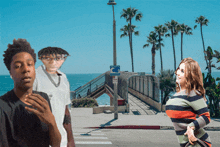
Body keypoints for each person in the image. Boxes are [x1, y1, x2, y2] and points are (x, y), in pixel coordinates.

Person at [0, 39, 61, 147]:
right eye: (18, 66)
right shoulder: (3, 106)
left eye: (30, 64)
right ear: (10, 72)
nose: (26, 69)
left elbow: (55, 144)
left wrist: (52, 123)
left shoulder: (43, 98)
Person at [33, 47, 75, 147]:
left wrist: (70, 140)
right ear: (41, 59)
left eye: (58, 58)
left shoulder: (63, 78)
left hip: (61, 140)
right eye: (49, 58)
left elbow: (65, 111)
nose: (54, 62)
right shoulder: (34, 76)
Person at [166, 57, 211, 147]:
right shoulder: (177, 95)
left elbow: (206, 116)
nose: (177, 73)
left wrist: (191, 127)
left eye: (182, 71)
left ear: (190, 77)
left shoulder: (192, 94)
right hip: (185, 143)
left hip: (197, 141)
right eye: (179, 69)